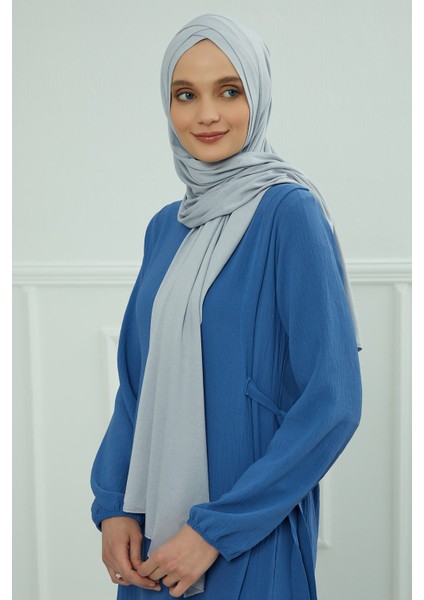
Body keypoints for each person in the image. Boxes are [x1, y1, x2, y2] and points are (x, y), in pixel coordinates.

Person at [90, 13, 362, 600]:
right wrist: (113, 505)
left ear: (257, 96)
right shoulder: (165, 228)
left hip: (248, 536)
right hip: (153, 537)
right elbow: (137, 385)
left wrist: (216, 531)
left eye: (229, 91)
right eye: (186, 94)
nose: (207, 114)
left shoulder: (290, 213)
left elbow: (332, 402)